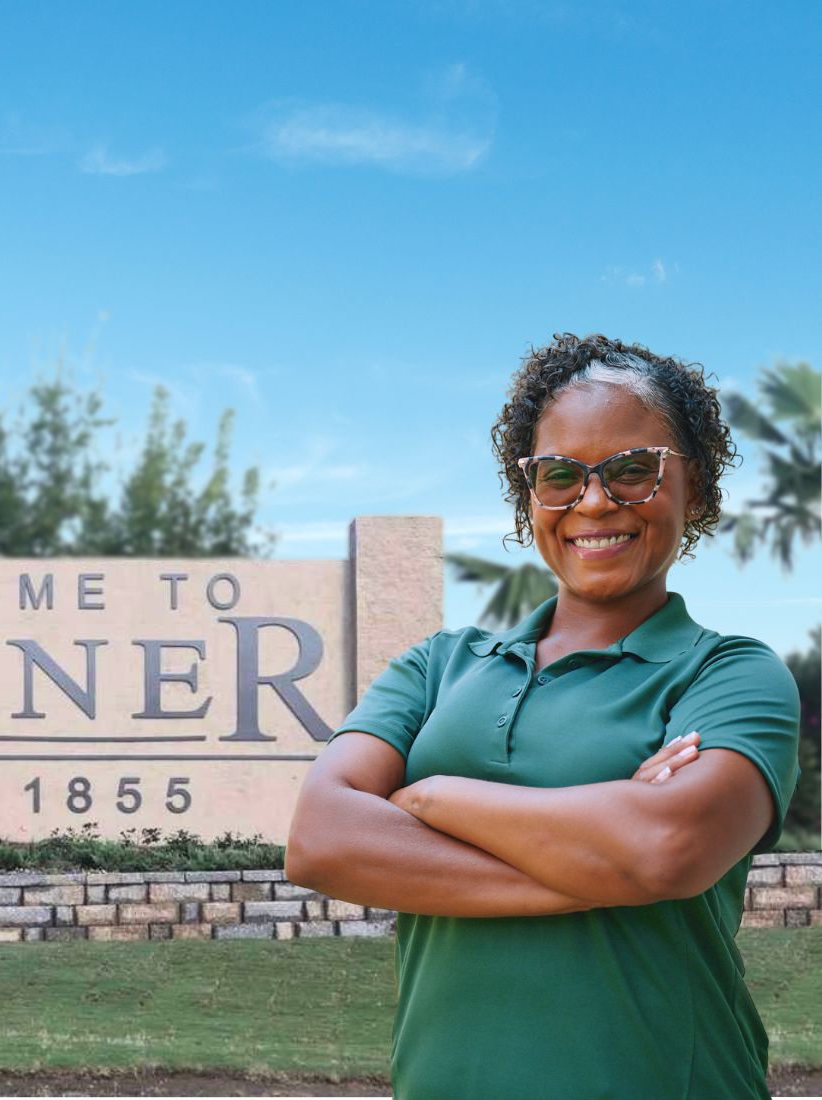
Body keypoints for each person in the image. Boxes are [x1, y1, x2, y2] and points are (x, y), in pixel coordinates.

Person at [285, 333, 802, 1100]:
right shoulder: (438, 665)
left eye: (633, 469)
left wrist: (429, 799)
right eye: (561, 475)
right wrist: (600, 856)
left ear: (694, 485)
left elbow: (664, 848)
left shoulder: (730, 674)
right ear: (529, 497)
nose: (594, 501)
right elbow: (320, 840)